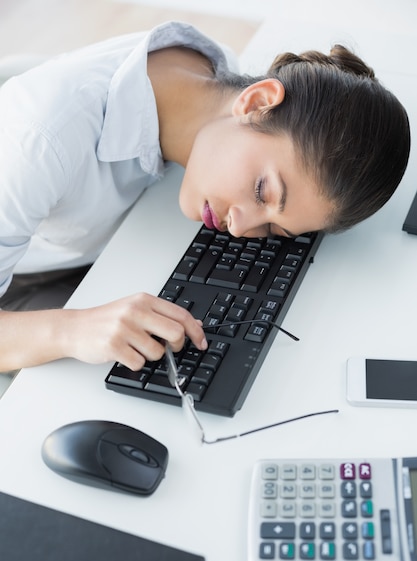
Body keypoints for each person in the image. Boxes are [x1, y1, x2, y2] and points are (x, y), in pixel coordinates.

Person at [0, 21, 410, 374]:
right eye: (262, 191)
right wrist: (70, 330)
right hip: (22, 281)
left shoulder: (208, 81)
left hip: (87, 246)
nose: (239, 227)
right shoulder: (38, 142)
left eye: (272, 229)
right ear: (256, 102)